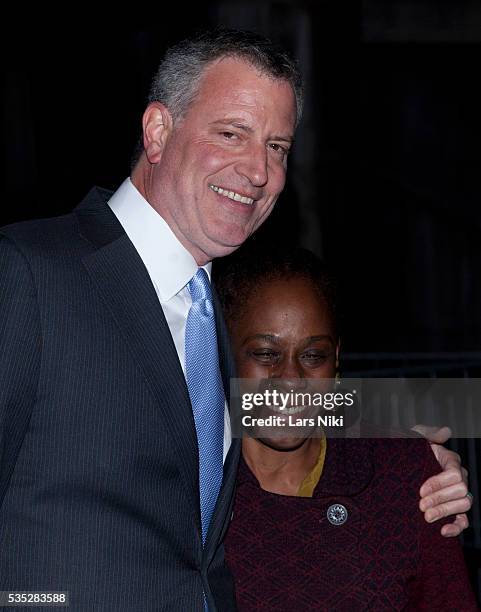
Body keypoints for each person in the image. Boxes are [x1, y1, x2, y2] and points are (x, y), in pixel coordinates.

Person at [0, 28, 471, 612]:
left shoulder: (214, 310)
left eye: (277, 146)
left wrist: (410, 459)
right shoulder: (29, 270)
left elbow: (253, 402)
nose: (258, 170)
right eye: (232, 134)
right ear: (157, 131)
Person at [215, 245, 477, 610]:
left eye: (312, 356)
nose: (291, 379)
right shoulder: (190, 488)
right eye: (265, 354)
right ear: (222, 352)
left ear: (335, 360)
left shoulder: (401, 473)